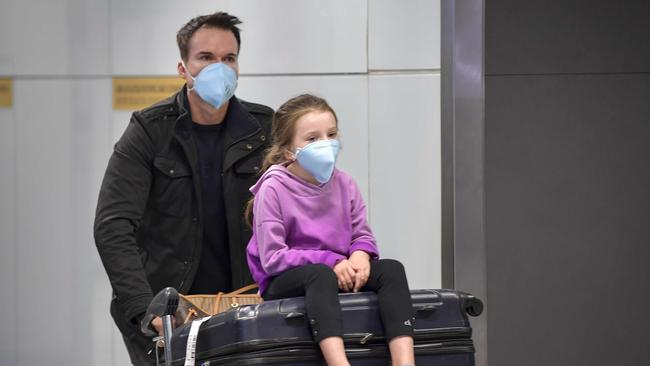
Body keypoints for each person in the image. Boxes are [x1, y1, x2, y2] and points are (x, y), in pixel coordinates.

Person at [94, 12, 272, 365]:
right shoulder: (149, 131)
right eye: (206, 58)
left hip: (247, 306)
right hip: (171, 314)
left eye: (229, 58)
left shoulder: (265, 128)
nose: (219, 68)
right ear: (183, 68)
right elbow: (112, 226)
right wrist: (146, 310)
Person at [245, 94, 416, 366]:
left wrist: (361, 254)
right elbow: (273, 258)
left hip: (340, 270)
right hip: (288, 278)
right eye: (312, 138)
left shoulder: (345, 183)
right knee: (319, 275)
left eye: (331, 134)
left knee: (391, 269)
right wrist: (332, 260)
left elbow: (361, 234)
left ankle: (404, 361)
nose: (325, 143)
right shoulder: (273, 188)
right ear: (290, 151)